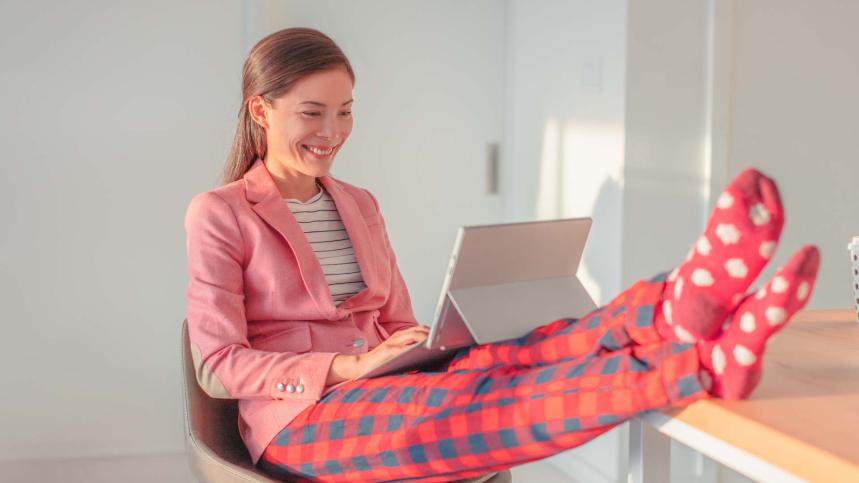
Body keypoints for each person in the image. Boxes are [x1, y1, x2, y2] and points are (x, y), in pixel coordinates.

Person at [184, 27, 820, 482]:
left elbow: (396, 317)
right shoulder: (221, 212)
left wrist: (415, 344)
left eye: (346, 112)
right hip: (300, 420)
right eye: (313, 113)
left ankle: (668, 311)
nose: (332, 133)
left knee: (513, 353)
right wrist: (348, 369)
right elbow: (217, 365)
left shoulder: (360, 203)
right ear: (260, 110)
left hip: (385, 380)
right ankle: (699, 365)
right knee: (470, 405)